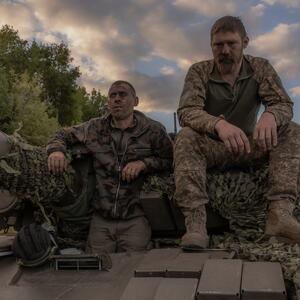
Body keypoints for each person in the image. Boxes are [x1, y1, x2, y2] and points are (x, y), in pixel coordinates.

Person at [174, 16, 300, 248]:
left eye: (231, 43)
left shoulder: (259, 68)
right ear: (211, 45)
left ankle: (280, 214)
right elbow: (187, 111)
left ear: (245, 42)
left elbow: (284, 104)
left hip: (251, 147)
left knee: (291, 130)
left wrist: (270, 116)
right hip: (214, 149)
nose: (224, 50)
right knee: (186, 137)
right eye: (218, 44)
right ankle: (195, 224)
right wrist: (219, 125)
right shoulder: (199, 71)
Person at [47, 80, 173, 253]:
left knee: (133, 272)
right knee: (96, 273)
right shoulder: (94, 128)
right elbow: (62, 134)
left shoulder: (153, 130)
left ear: (135, 101)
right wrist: (56, 151)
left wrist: (143, 163)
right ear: (108, 102)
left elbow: (170, 160)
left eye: (122, 94)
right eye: (112, 95)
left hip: (134, 220)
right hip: (101, 221)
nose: (117, 99)